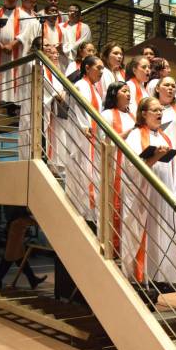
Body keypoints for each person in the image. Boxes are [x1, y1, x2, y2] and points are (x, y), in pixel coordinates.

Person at [123, 97, 176, 286]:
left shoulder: (165, 137)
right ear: (143, 114)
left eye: (161, 111)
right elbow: (133, 167)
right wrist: (156, 156)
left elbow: (173, 171)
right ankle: (142, 279)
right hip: (144, 194)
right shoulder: (135, 135)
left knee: (164, 235)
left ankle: (161, 278)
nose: (159, 114)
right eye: (154, 110)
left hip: (163, 194)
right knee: (146, 236)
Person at [70, 56, 104, 225]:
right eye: (99, 68)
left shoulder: (94, 89)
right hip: (84, 135)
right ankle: (84, 212)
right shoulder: (80, 85)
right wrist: (84, 126)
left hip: (94, 137)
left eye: (103, 69)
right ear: (88, 67)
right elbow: (77, 108)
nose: (102, 72)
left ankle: (91, 213)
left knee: (91, 173)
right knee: (85, 173)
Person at [101, 81, 134, 251]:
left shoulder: (132, 115)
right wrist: (130, 132)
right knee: (115, 205)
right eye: (124, 91)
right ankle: (113, 247)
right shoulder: (107, 114)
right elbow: (105, 141)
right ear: (114, 94)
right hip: (115, 165)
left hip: (132, 168)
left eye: (129, 91)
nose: (128, 94)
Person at [0, 208, 47, 289]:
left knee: (23, 265)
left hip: (14, 248)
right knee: (3, 268)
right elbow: (35, 222)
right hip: (13, 250)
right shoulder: (20, 221)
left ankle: (33, 280)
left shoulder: (16, 220)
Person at [61, 4, 91, 69]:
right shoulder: (60, 26)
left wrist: (67, 50)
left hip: (76, 58)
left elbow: (83, 42)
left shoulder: (85, 27)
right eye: (70, 11)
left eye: (75, 11)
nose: (72, 13)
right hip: (62, 57)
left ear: (80, 14)